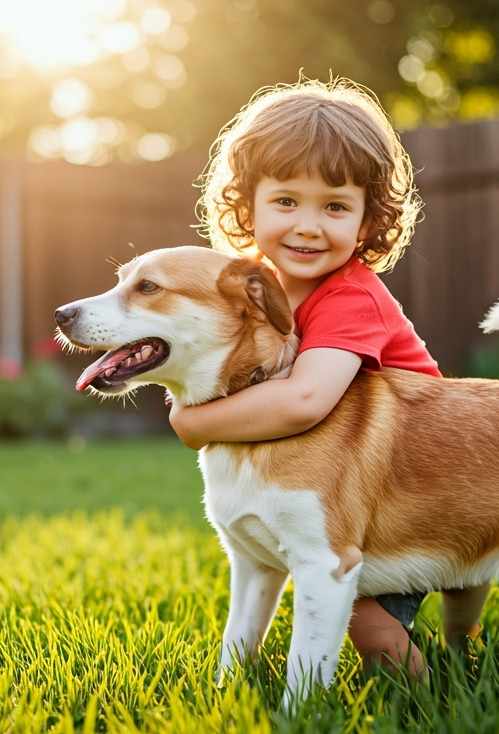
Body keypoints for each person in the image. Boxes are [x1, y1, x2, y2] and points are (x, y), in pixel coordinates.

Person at [168, 78, 463, 680]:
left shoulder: (350, 296)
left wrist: (192, 420)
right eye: (286, 202)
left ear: (366, 222)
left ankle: (435, 703)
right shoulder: (252, 286)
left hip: (413, 483)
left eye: (334, 206)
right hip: (337, 478)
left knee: (368, 622)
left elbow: (306, 399)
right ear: (246, 207)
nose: (307, 226)